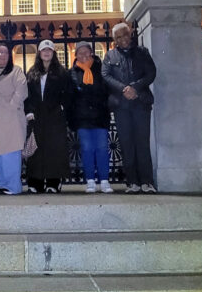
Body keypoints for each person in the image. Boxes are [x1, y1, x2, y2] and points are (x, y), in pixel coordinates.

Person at [102, 22, 157, 194]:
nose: (123, 39)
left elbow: (151, 73)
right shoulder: (110, 55)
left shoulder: (142, 52)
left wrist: (135, 87)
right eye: (118, 37)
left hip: (141, 103)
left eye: (125, 35)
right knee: (126, 144)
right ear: (115, 40)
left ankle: (147, 182)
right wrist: (123, 89)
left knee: (142, 142)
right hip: (121, 106)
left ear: (130, 33)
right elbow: (105, 75)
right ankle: (132, 182)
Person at [24, 39, 71, 194]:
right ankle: (35, 182)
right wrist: (29, 111)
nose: (46, 53)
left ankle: (53, 181)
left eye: (49, 50)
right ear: (39, 53)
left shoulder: (62, 72)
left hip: (54, 116)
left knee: (54, 149)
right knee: (36, 149)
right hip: (36, 116)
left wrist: (62, 107)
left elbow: (68, 93)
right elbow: (27, 95)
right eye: (44, 50)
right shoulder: (32, 72)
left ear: (53, 53)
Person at [0, 43, 27, 195]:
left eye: (5, 53)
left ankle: (13, 186)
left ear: (9, 56)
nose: (2, 55)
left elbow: (21, 90)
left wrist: (11, 105)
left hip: (11, 117)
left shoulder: (16, 71)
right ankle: (2, 183)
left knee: (10, 151)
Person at [68, 40, 112, 193]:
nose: (84, 55)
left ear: (91, 52)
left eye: (86, 51)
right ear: (76, 55)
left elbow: (107, 91)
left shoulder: (102, 69)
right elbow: (70, 97)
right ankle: (90, 181)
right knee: (87, 149)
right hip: (82, 117)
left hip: (100, 115)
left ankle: (104, 180)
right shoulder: (72, 73)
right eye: (80, 52)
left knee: (102, 148)